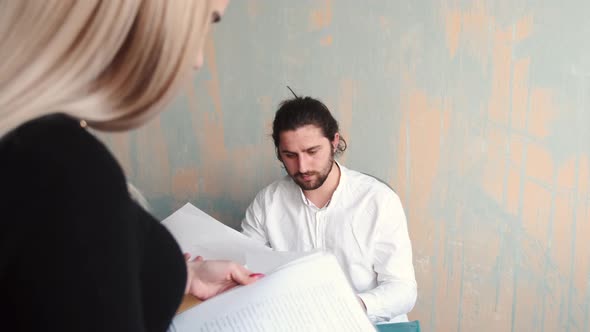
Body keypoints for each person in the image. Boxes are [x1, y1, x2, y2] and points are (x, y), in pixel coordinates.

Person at [0, 1, 263, 331]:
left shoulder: (34, 145)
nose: (197, 59)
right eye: (205, 21)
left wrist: (187, 275)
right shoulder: (70, 173)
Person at [241, 96, 417, 323]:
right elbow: (245, 270)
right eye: (290, 155)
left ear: (334, 142)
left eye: (312, 151)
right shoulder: (267, 203)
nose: (302, 167)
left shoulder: (378, 200)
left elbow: (403, 289)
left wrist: (356, 305)